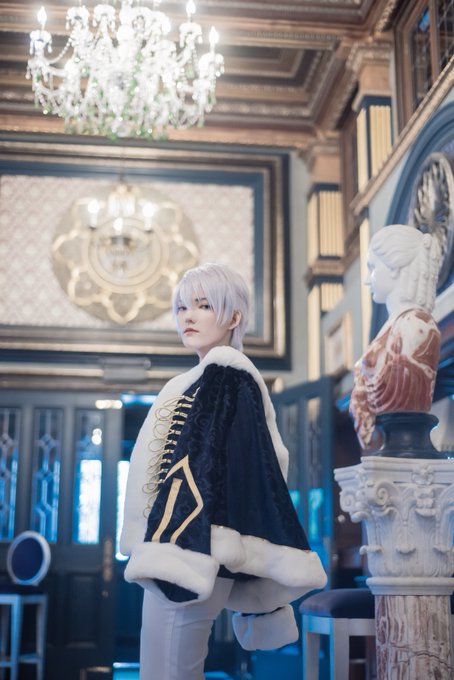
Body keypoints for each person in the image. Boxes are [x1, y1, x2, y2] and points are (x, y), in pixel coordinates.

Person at [120, 262, 327, 680]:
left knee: (168, 673)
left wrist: (182, 546)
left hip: (189, 549)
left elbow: (203, 468)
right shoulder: (204, 378)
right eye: (182, 307)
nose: (188, 316)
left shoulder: (226, 373)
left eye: (203, 305)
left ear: (233, 317)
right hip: (187, 547)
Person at [349, 224, 441, 449]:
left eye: (372, 268)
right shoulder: (397, 325)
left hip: (402, 448)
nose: (367, 280)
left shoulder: (415, 326)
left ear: (395, 267)